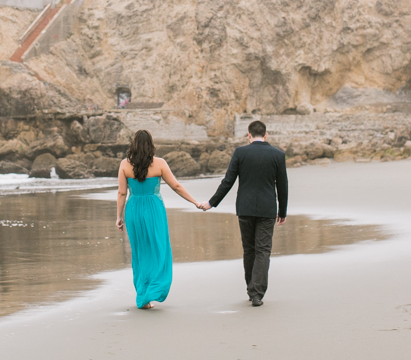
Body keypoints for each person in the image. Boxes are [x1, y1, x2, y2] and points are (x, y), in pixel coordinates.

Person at [202, 120, 288, 307]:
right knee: (263, 250)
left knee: (249, 249)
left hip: (245, 208)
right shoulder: (277, 155)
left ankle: (252, 289)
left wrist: (211, 203)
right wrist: (283, 211)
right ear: (266, 135)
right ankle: (256, 292)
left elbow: (228, 181)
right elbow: (282, 186)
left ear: (249, 135)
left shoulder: (240, 153)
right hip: (267, 209)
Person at [116, 130, 203, 309]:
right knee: (159, 249)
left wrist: (119, 217)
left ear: (133, 144)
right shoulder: (159, 163)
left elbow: (122, 192)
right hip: (154, 209)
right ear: (151, 145)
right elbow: (176, 186)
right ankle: (153, 290)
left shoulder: (125, 164)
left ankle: (144, 296)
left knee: (140, 253)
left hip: (133, 210)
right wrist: (194, 201)